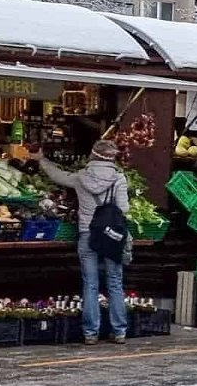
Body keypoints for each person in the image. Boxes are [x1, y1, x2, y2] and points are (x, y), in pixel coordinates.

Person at [35, 140, 131, 345]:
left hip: (88, 233)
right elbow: (123, 209)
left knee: (90, 284)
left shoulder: (81, 177)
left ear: (93, 155)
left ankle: (90, 333)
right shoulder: (119, 179)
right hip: (111, 236)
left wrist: (42, 160)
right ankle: (120, 331)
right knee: (114, 282)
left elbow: (58, 176)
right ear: (112, 158)